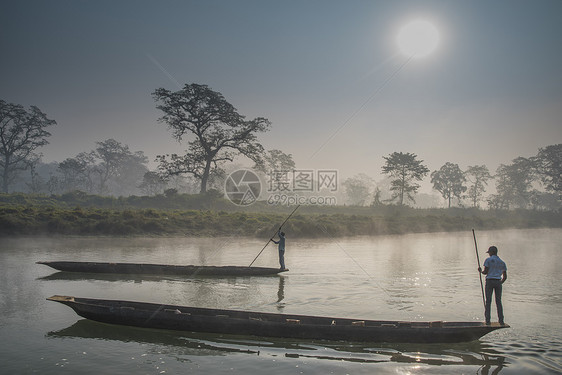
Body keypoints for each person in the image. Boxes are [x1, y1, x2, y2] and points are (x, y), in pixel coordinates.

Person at [478, 245, 507, 325]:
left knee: (488, 301)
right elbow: (505, 277)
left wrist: (480, 271)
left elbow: (485, 272)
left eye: (489, 252)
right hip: (498, 281)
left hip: (490, 281)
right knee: (498, 302)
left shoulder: (488, 260)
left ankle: (487, 321)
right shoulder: (502, 262)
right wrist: (499, 283)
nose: (488, 254)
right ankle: (501, 321)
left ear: (491, 252)